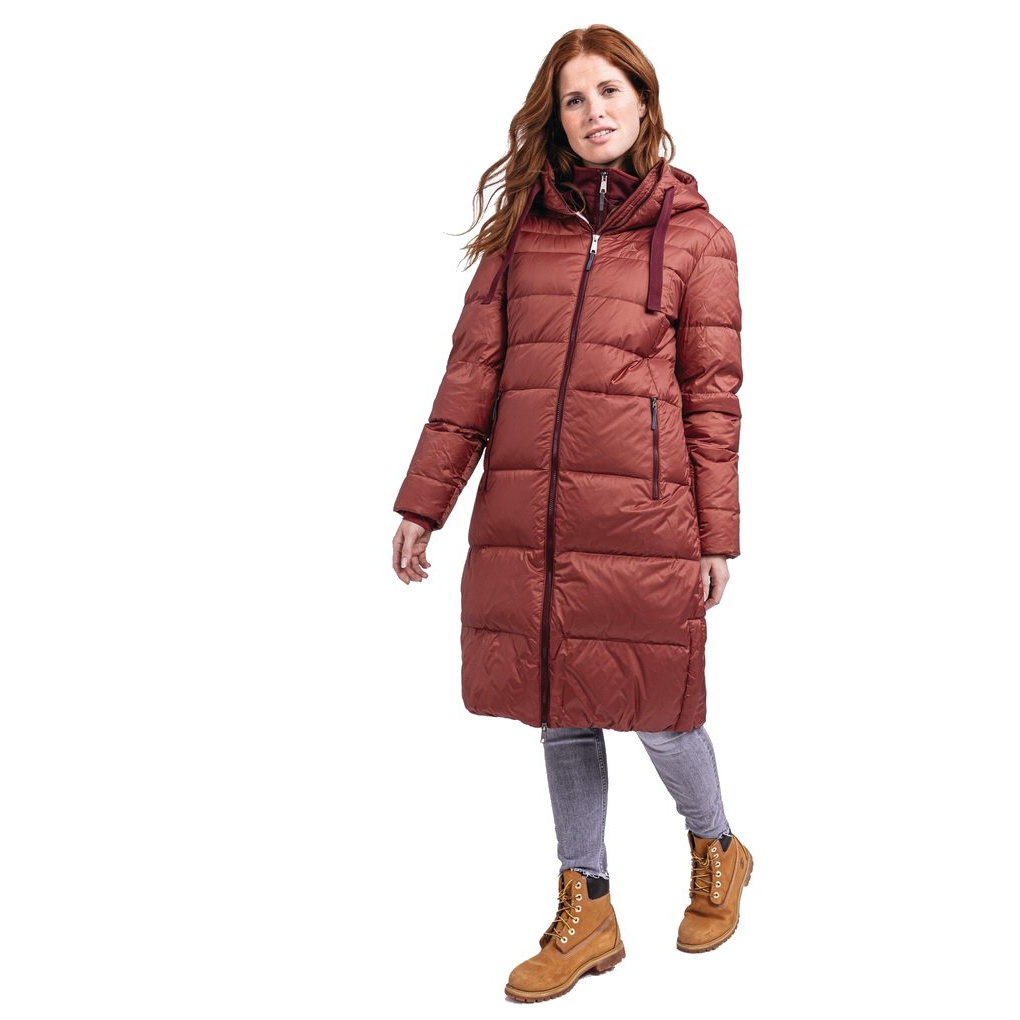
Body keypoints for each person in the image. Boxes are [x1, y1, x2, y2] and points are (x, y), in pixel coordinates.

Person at [391, 23, 751, 1004]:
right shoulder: (521, 240)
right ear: (556, 120)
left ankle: (716, 845)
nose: (594, 112)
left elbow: (713, 398)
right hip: (533, 515)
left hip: (644, 517)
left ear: (644, 100)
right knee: (561, 709)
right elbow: (470, 380)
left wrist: (718, 534)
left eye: (609, 91)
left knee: (662, 710)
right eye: (574, 99)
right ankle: (586, 905)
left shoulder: (699, 241)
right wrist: (425, 503)